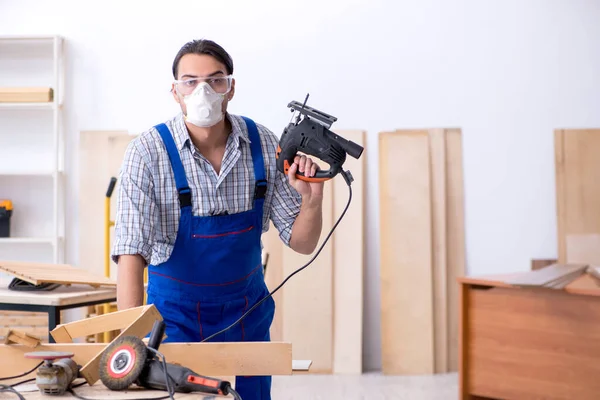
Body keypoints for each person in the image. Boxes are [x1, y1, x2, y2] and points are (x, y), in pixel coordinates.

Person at [111, 39, 324, 400]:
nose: (203, 91)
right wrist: (130, 346)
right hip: (173, 317)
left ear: (231, 87)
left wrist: (313, 201)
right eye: (190, 81)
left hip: (247, 313)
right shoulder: (148, 152)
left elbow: (302, 243)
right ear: (175, 92)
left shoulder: (262, 143)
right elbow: (131, 255)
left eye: (215, 80)